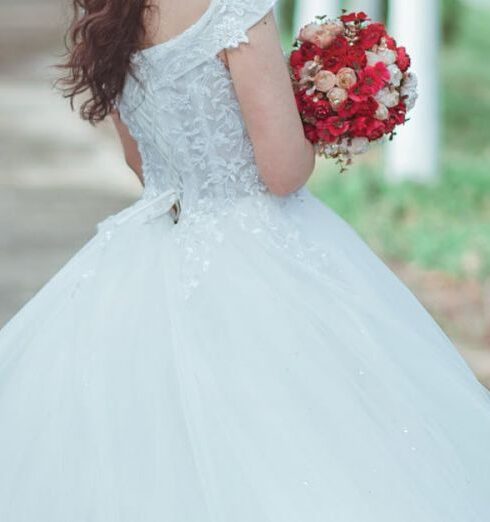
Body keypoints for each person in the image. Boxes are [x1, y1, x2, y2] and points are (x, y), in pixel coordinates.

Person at [0, 0, 489, 520]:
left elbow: (139, 161)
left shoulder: (112, 14)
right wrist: (329, 122)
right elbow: (281, 171)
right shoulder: (233, 7)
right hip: (257, 241)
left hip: (154, 235)